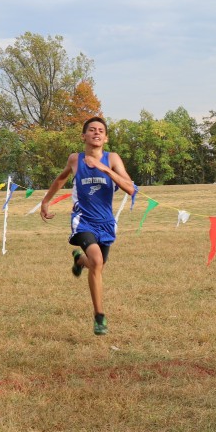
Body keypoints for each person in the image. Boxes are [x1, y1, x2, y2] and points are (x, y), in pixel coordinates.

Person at [40, 116, 136, 336]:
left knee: (97, 263)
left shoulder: (112, 159)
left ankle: (79, 260)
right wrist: (45, 201)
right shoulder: (75, 159)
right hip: (82, 219)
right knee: (97, 261)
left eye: (101, 130)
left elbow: (130, 188)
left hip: (106, 222)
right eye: (92, 130)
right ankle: (99, 316)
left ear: (106, 137)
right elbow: (60, 179)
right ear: (84, 136)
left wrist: (104, 169)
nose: (96, 133)